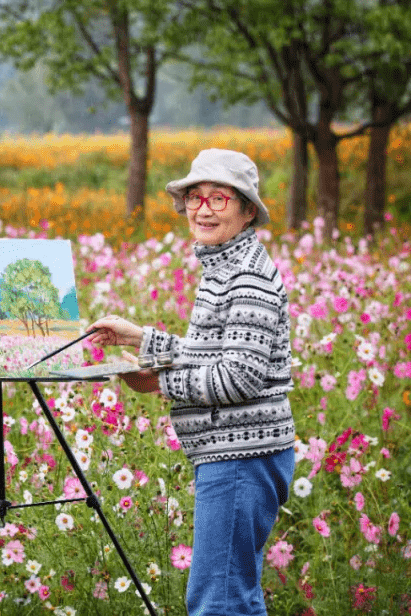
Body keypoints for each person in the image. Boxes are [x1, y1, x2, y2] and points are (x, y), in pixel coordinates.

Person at [87, 149, 296, 616]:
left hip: (242, 457)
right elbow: (218, 354)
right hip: (238, 454)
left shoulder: (247, 278)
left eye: (219, 199)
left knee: (217, 603)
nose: (202, 209)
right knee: (235, 596)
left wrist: (160, 382)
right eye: (195, 198)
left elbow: (238, 377)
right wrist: (143, 339)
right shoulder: (224, 267)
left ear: (246, 210)